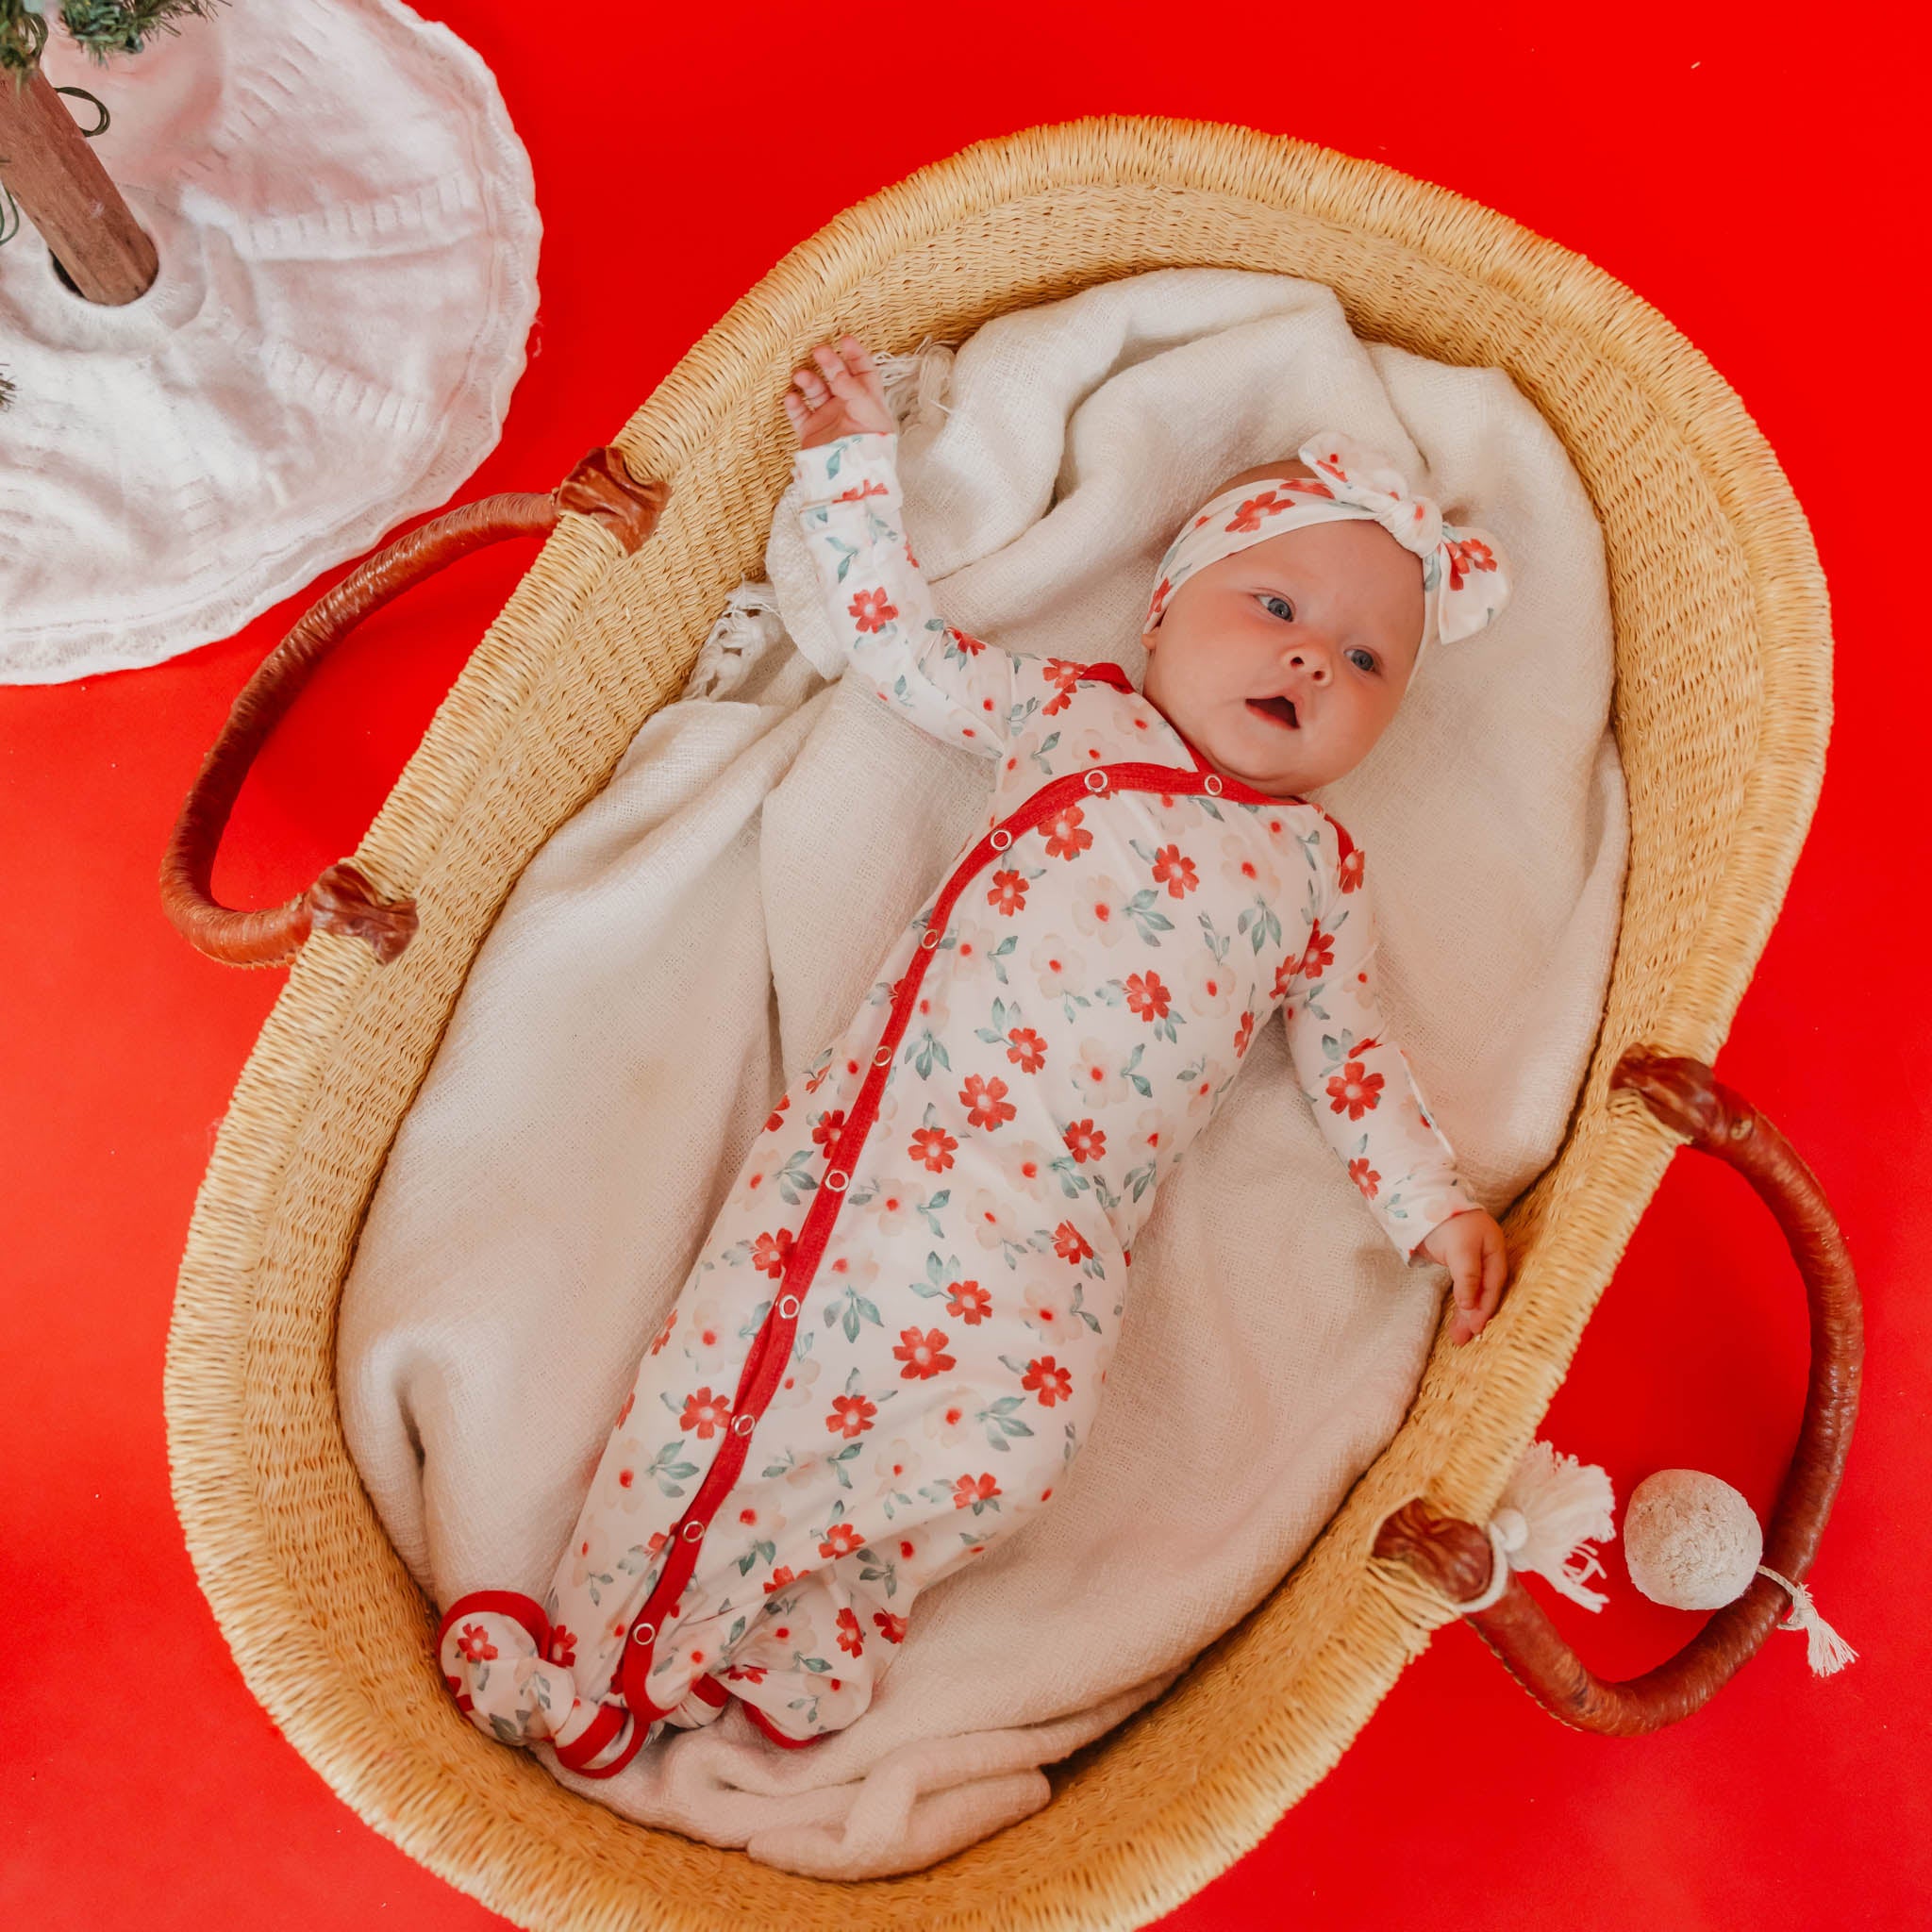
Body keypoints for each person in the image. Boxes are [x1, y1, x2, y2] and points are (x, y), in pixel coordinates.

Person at [437, 334, 1515, 1775]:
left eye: (1368, 660)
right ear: (1164, 610)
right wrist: (848, 466)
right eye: (1275, 605)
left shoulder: (1320, 872)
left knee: (1014, 1449)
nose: (1314, 655)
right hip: (892, 1167)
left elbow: (1353, 1061)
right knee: (756, 1383)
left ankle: (823, 1616)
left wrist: (1432, 1207)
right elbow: (895, 645)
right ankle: (600, 1652)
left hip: (1062, 1248)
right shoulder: (1075, 718)